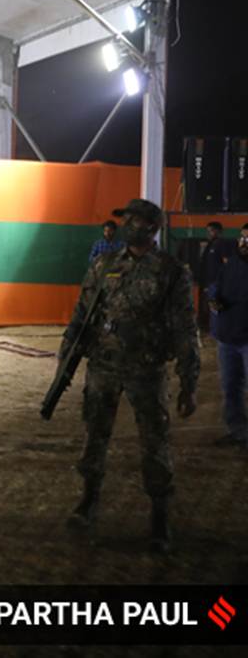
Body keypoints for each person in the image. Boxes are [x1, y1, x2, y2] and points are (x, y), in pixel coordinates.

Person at [62, 199, 198, 553]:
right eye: (126, 218)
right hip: (103, 365)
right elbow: (82, 313)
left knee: (154, 442)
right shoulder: (104, 264)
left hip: (146, 369)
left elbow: (185, 328)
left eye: (135, 220)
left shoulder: (171, 271)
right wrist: (67, 354)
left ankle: (159, 518)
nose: (127, 224)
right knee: (95, 434)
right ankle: (88, 502)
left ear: (151, 228)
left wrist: (189, 381)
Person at [207, 235, 248, 451]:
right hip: (228, 338)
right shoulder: (231, 264)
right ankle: (238, 432)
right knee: (231, 387)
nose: (244, 243)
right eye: (243, 239)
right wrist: (215, 299)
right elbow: (218, 287)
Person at [196, 221, 229, 333]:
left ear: (218, 231)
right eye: (208, 231)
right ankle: (214, 331)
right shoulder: (210, 245)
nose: (209, 233)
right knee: (211, 308)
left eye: (211, 230)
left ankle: (218, 332)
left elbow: (226, 263)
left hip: (217, 283)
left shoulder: (222, 243)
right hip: (209, 283)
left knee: (216, 309)